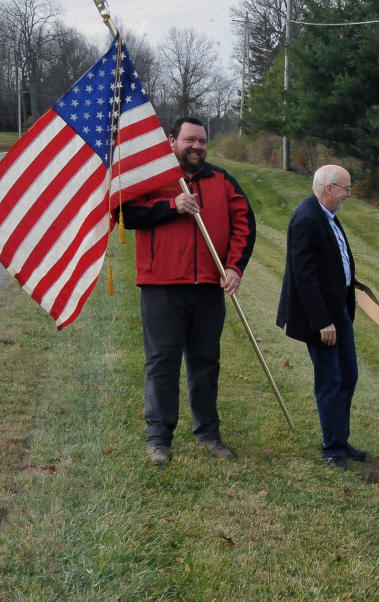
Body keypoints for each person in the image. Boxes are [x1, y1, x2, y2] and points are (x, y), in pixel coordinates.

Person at [120, 117, 256, 466]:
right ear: (171, 141)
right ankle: (158, 438)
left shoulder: (222, 180)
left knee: (206, 363)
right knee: (162, 363)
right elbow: (126, 213)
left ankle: (208, 433)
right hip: (161, 287)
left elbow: (244, 223)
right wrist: (172, 206)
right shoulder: (154, 178)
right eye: (189, 140)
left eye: (202, 141)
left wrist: (234, 267)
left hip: (208, 288)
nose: (197, 147)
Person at [276, 165, 366, 471]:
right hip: (322, 316)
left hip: (338, 308)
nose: (348, 195)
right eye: (346, 189)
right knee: (330, 379)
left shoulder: (327, 217)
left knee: (349, 375)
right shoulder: (306, 218)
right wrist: (322, 322)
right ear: (329, 188)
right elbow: (304, 276)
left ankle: (340, 438)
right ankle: (332, 449)